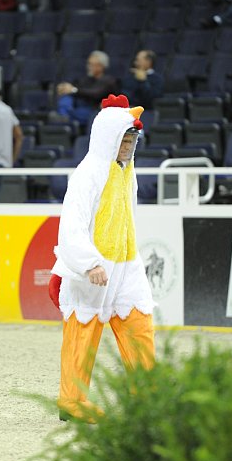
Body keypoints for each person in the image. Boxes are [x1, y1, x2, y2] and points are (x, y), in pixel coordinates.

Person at [49, 93, 155, 423]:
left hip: (126, 264)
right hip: (95, 268)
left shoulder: (127, 171)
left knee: (140, 326)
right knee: (83, 330)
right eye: (124, 138)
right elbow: (72, 223)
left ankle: (151, 399)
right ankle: (72, 400)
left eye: (133, 138)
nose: (128, 144)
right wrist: (88, 262)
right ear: (109, 138)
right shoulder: (87, 174)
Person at [55, 50, 118, 126]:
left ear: (101, 66)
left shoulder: (108, 80)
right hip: (80, 106)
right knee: (66, 98)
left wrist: (73, 90)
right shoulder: (86, 79)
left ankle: (64, 118)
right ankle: (64, 117)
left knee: (76, 112)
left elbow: (95, 93)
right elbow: (75, 87)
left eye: (93, 65)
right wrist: (65, 88)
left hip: (95, 110)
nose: (89, 67)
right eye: (89, 64)